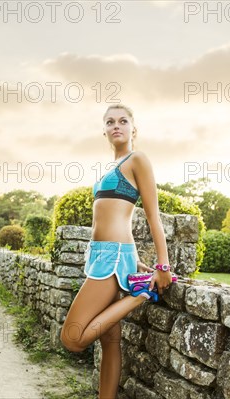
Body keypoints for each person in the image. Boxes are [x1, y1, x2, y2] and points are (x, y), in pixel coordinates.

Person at [60, 104, 173, 399]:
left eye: (123, 121)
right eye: (110, 122)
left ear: (134, 129)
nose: (116, 126)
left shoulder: (138, 160)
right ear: (104, 130)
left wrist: (163, 265)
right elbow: (113, 217)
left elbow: (153, 216)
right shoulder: (109, 167)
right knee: (110, 342)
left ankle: (140, 296)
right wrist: (135, 260)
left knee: (72, 339)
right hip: (103, 256)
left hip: (112, 258)